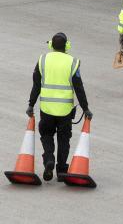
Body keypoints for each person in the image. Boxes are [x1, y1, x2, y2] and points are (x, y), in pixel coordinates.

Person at [26, 32, 91, 182]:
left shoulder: (43, 60)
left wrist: (31, 104)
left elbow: (36, 85)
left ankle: (49, 159)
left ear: (51, 45)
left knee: (47, 135)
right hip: (65, 111)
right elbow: (79, 87)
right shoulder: (72, 62)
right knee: (64, 139)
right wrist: (85, 108)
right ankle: (61, 170)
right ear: (67, 45)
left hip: (47, 108)